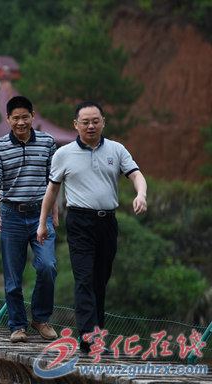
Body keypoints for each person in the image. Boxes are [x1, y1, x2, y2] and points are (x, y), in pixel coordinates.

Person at [37, 101, 147, 352]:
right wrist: (42, 223)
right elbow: (52, 190)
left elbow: (136, 175)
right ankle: (91, 338)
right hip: (79, 222)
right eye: (85, 122)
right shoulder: (63, 154)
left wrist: (141, 194)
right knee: (84, 279)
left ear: (103, 122)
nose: (90, 126)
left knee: (99, 281)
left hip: (107, 222)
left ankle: (92, 339)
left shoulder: (116, 150)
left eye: (95, 121)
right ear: (75, 124)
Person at [0, 96, 58, 343]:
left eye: (24, 117)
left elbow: (54, 182)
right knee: (13, 277)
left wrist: (54, 213)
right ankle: (17, 325)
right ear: (8, 119)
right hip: (11, 215)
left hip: (41, 214)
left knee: (48, 266)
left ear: (32, 116)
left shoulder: (48, 143)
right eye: (15, 118)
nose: (20, 122)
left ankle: (40, 318)